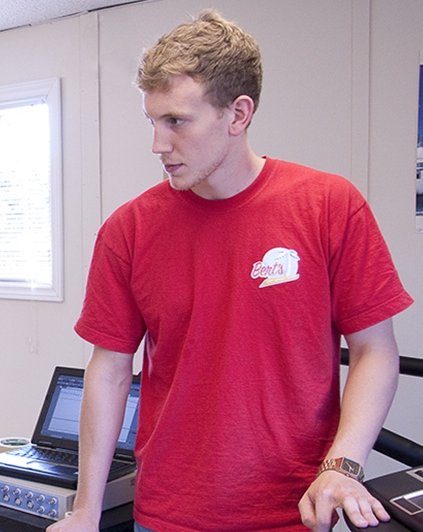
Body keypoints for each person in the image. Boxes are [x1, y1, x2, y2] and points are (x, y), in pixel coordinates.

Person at [48, 10, 413, 532]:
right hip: (169, 513)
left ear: (238, 114)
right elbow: (108, 370)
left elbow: (375, 350)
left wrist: (343, 465)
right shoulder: (128, 230)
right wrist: (86, 510)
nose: (158, 143)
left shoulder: (329, 206)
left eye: (176, 121)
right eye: (152, 121)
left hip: (297, 512)